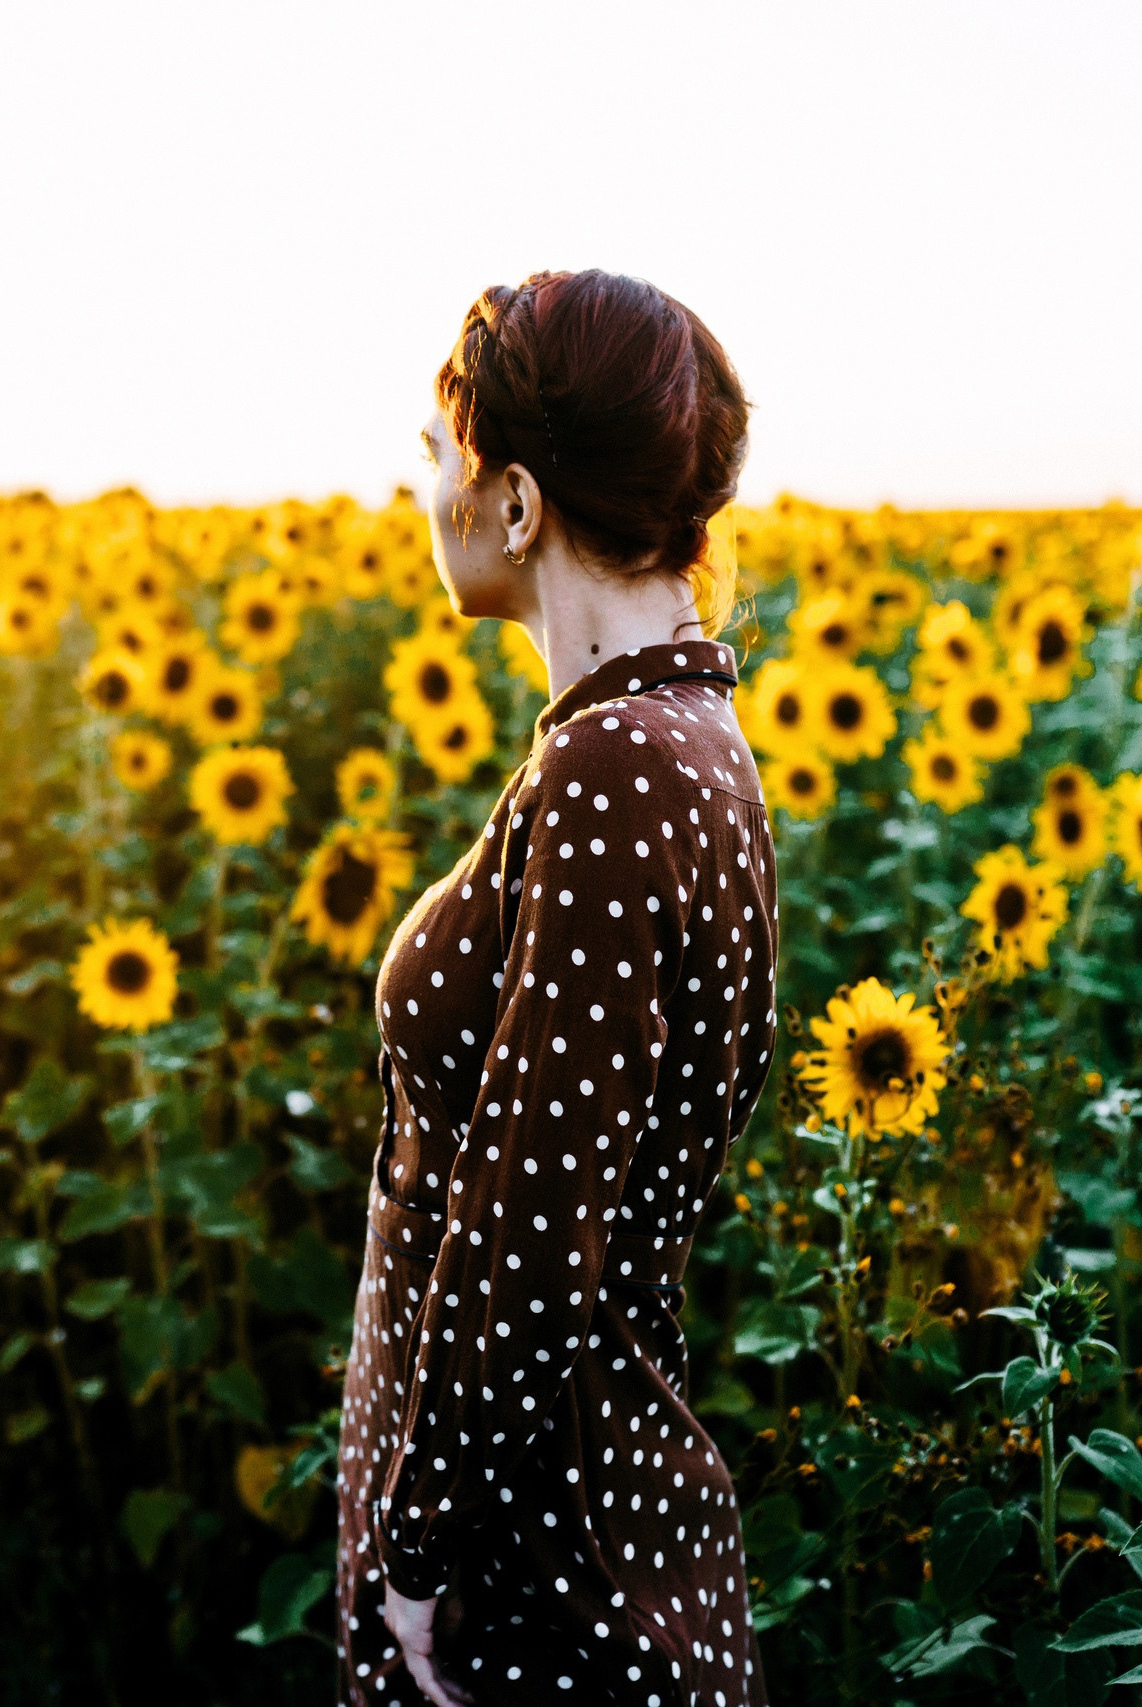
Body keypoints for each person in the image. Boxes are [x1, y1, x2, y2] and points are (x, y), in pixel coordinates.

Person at [333, 270, 776, 1706]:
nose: (424, 496)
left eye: (436, 457)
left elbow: (533, 1233)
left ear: (515, 506)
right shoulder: (683, 736)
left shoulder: (617, 770)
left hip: (539, 1584)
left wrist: (418, 1556)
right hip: (561, 1525)